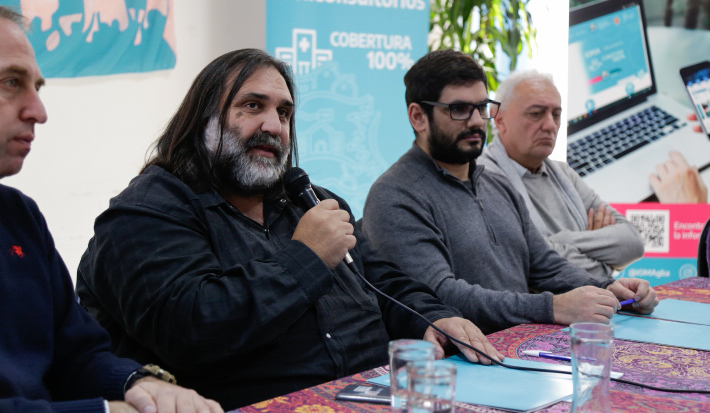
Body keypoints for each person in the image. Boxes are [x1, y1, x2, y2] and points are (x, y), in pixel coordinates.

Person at [76, 48, 503, 410]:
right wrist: (306, 259)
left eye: (284, 112)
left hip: (373, 397)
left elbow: (382, 281)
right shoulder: (146, 212)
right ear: (203, 119)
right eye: (252, 106)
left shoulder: (307, 200)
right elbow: (189, 328)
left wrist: (432, 317)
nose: (273, 126)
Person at [0, 6, 222, 413]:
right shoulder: (148, 210)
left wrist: (139, 384)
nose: (39, 112)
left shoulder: (19, 216)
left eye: (37, 87)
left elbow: (76, 354)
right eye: (11, 82)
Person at [362, 49, 658, 334]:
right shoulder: (395, 196)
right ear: (418, 117)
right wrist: (551, 307)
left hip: (523, 349)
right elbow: (438, 295)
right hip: (458, 360)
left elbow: (546, 266)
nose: (476, 121)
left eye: (481, 107)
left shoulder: (496, 184)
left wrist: (608, 289)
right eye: (459, 110)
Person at [478, 70, 644, 279]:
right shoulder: (483, 178)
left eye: (556, 115)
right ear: (500, 119)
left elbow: (633, 243)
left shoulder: (564, 174)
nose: (550, 125)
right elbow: (529, 264)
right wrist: (602, 261)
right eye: (536, 114)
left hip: (592, 297)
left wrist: (557, 242)